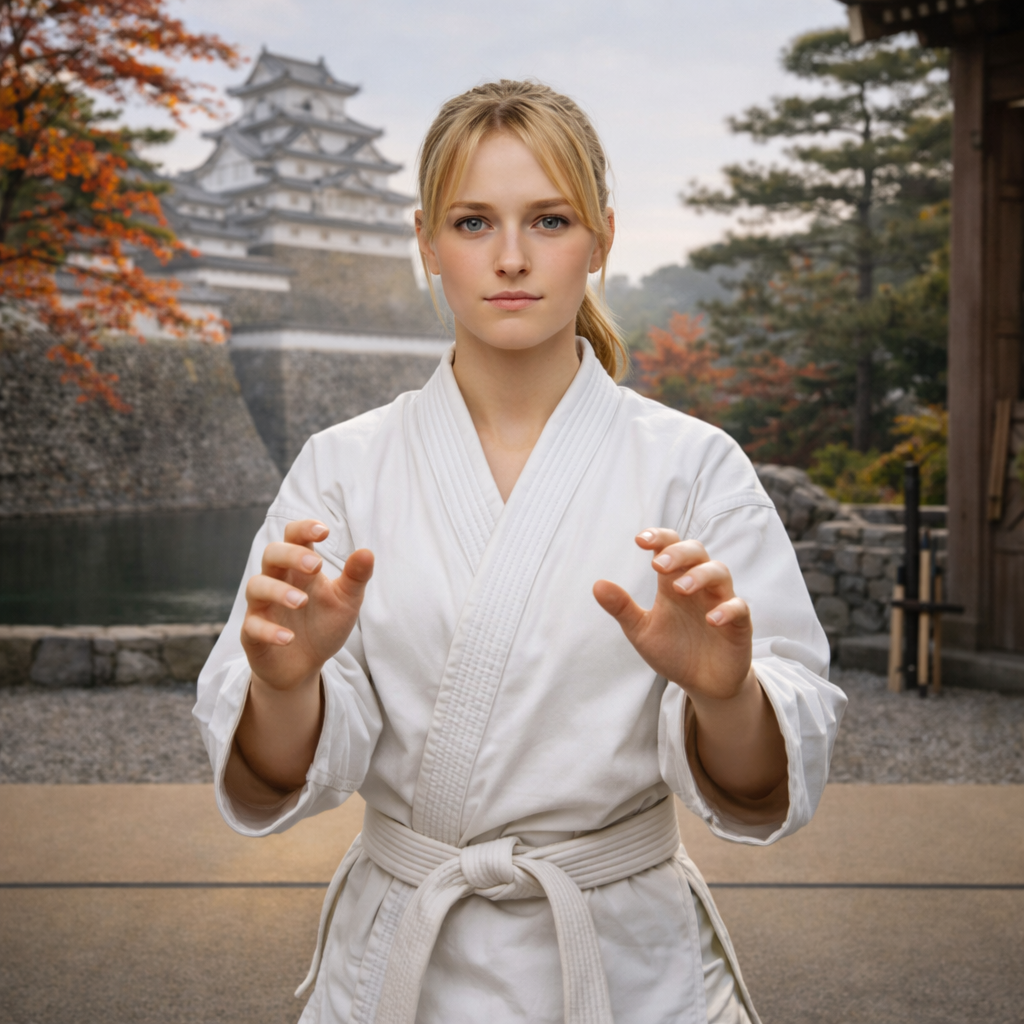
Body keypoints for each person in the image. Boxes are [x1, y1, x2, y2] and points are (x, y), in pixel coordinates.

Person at [194, 80, 847, 1024]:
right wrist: (286, 687)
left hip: (628, 969)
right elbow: (266, 774)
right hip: (401, 966)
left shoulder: (694, 467)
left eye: (547, 219)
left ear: (602, 240)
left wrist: (726, 695)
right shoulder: (343, 468)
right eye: (471, 222)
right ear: (426, 241)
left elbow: (764, 781)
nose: (510, 258)